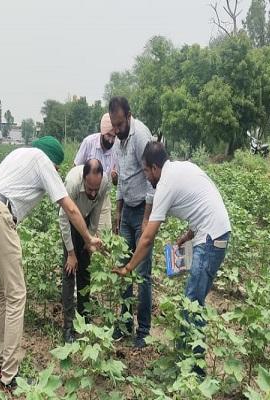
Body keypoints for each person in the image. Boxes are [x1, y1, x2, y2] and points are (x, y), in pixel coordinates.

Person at [0, 136, 102, 392]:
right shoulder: (43, 162)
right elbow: (70, 209)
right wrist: (88, 238)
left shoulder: (19, 155)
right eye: (57, 168)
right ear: (54, 163)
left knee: (2, 292)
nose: (55, 173)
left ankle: (0, 362)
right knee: (17, 295)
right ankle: (9, 376)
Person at [113, 142, 231, 375]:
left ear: (155, 168)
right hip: (215, 233)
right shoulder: (181, 168)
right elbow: (202, 201)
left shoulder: (165, 184)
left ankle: (195, 371)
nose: (146, 177)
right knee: (192, 301)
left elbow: (146, 238)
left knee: (191, 304)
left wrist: (128, 268)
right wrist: (188, 234)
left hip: (210, 240)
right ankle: (185, 357)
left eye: (146, 171)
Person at [109, 96, 154, 348]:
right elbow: (123, 178)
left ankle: (144, 331)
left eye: (119, 124)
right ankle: (125, 324)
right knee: (122, 268)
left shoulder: (140, 137)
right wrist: (118, 211)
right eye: (113, 126)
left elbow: (152, 179)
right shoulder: (119, 140)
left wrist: (147, 217)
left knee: (143, 274)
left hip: (143, 213)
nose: (116, 130)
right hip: (126, 212)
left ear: (128, 116)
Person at [59, 159, 110, 343]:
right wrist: (71, 253)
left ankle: (84, 318)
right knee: (69, 271)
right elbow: (64, 219)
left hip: (85, 221)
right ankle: (68, 327)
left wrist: (90, 239)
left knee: (85, 272)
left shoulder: (103, 183)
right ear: (83, 179)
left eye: (96, 189)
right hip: (70, 221)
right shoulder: (72, 183)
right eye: (89, 189)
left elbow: (96, 210)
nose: (93, 193)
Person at [73, 113, 118, 231]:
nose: (111, 140)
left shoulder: (116, 148)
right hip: (84, 195)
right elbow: (75, 168)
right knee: (80, 230)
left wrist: (115, 178)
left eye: (114, 136)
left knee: (104, 234)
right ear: (102, 131)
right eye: (109, 135)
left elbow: (115, 183)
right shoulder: (89, 142)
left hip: (102, 196)